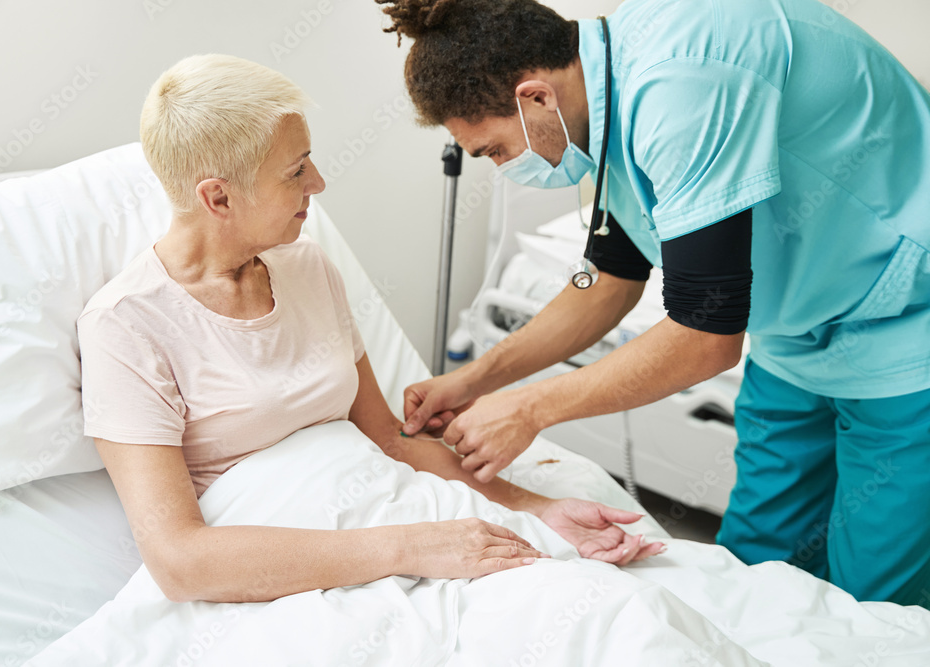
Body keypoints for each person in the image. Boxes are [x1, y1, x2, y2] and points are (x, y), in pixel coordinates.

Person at [378, 0, 930, 608]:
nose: (503, 169)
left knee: (876, 598)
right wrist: (477, 379)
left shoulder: (681, 83)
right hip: (795, 336)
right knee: (754, 567)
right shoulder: (604, 95)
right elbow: (610, 275)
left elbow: (705, 336)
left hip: (905, 326)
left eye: (495, 151)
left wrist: (528, 409)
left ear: (535, 97)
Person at [76, 54, 663, 604]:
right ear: (218, 197)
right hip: (302, 575)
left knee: (611, 607)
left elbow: (389, 439)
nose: (319, 184)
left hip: (394, 516)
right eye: (296, 170)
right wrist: (412, 547)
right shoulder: (126, 328)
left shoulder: (305, 266)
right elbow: (181, 563)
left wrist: (535, 508)